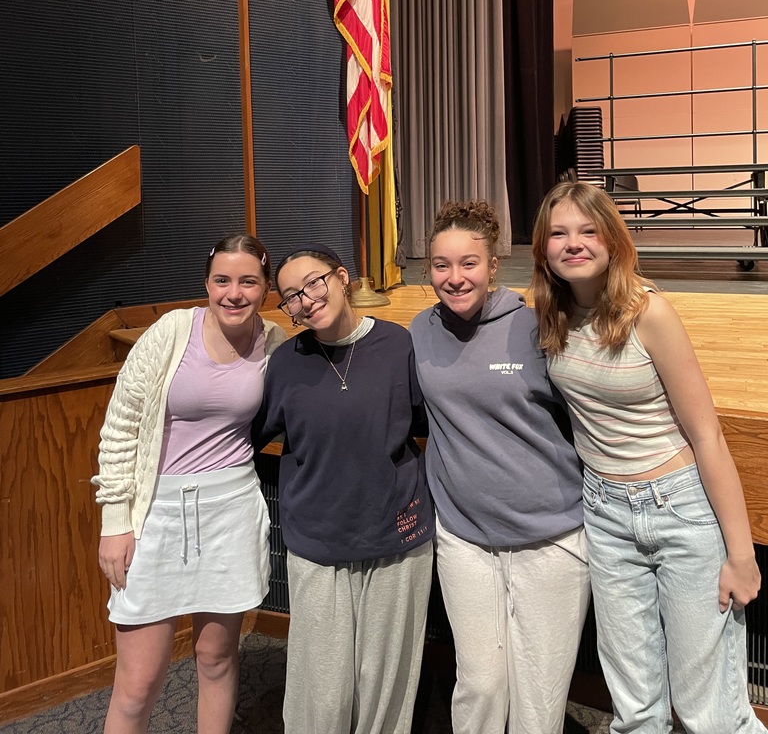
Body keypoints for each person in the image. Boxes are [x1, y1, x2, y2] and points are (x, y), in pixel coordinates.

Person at [530, 180, 763, 734]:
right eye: (559, 233)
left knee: (710, 710)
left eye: (589, 231)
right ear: (542, 248)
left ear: (612, 240)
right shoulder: (552, 315)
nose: (574, 243)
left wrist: (741, 552)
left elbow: (707, 435)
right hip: (606, 515)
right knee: (635, 707)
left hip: (679, 509)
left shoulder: (647, 312)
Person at [408, 200, 590, 734]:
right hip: (465, 539)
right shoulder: (419, 330)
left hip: (551, 539)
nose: (455, 277)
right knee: (480, 685)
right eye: (442, 264)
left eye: (469, 263)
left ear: (493, 267)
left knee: (538, 698)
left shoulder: (537, 327)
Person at [92, 233, 286, 734]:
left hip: (231, 512)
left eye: (248, 281)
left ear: (266, 289)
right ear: (206, 284)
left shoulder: (274, 343)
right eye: (222, 280)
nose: (234, 292)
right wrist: (115, 521)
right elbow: (120, 427)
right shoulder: (172, 331)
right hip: (156, 511)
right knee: (138, 683)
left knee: (216, 658)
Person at [256, 242, 434, 734]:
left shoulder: (398, 344)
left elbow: (419, 423)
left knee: (388, 684)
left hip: (397, 535)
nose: (306, 299)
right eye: (290, 296)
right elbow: (250, 435)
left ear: (342, 277)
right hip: (317, 539)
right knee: (321, 688)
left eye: (314, 282)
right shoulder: (286, 363)